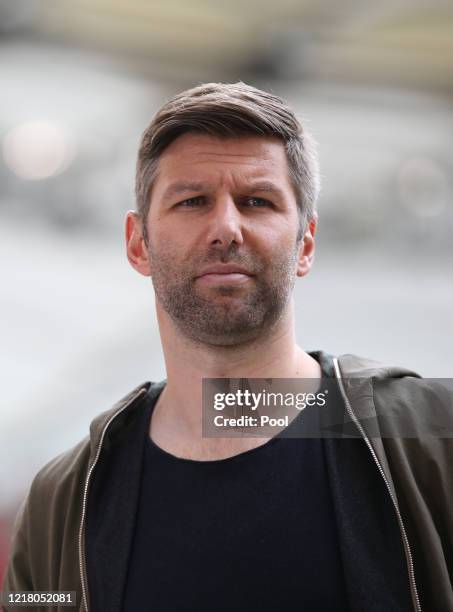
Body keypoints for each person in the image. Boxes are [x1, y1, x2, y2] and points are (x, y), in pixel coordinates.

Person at [3, 82, 452, 612]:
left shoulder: (429, 436)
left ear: (305, 243)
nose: (226, 228)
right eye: (192, 201)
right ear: (137, 243)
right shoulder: (64, 499)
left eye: (256, 201)